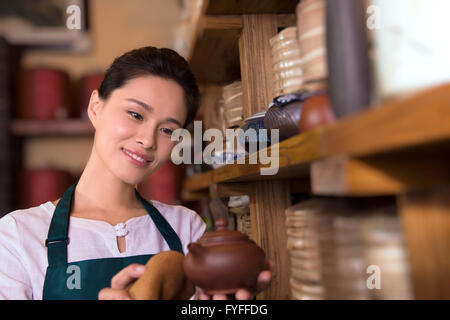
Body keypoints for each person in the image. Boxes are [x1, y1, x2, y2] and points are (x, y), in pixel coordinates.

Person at [0, 47, 273, 300]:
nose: (148, 140)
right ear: (96, 107)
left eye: (167, 130)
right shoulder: (18, 236)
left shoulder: (187, 229)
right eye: (135, 114)